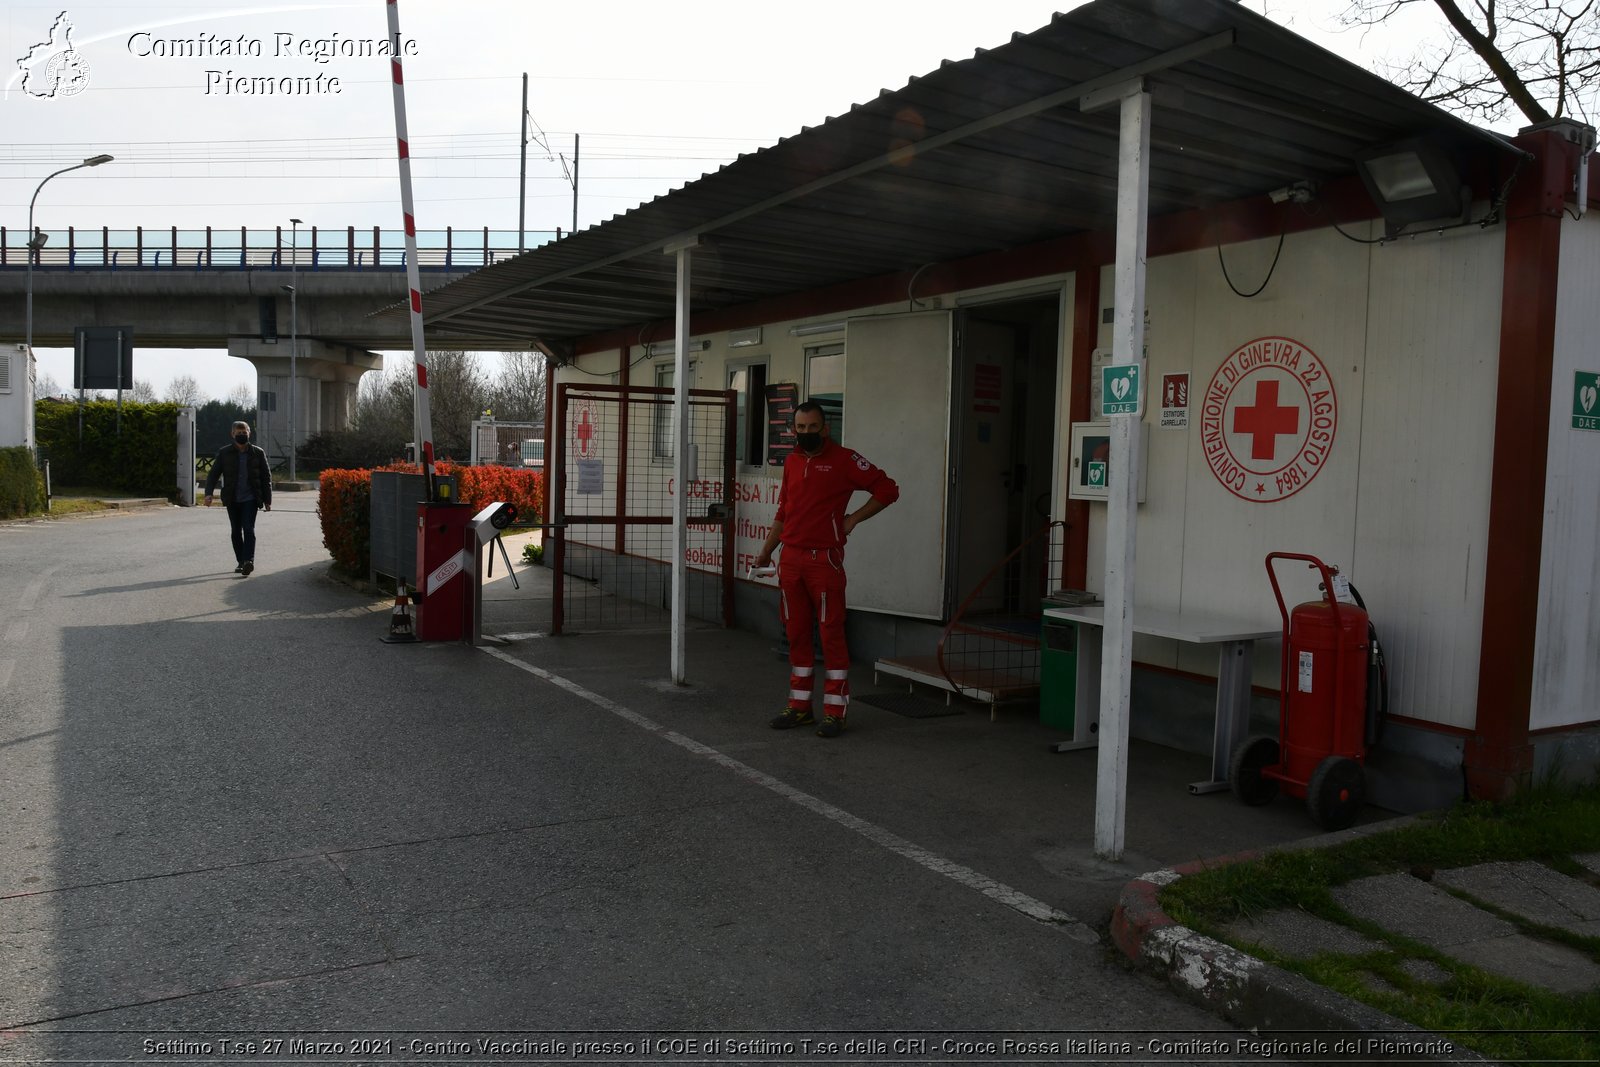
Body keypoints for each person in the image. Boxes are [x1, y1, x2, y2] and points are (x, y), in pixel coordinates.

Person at [753, 401, 899, 738]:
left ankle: (835, 711)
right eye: (800, 428)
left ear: (825, 427)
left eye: (812, 427)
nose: (805, 434)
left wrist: (853, 519)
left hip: (825, 560)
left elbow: (888, 489)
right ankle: (800, 707)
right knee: (796, 633)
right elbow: (783, 512)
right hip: (790, 559)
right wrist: (765, 551)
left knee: (831, 633)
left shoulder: (845, 460)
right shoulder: (791, 461)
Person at [203, 420, 272, 575]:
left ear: (249, 433)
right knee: (235, 531)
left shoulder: (257, 452)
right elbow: (213, 474)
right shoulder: (224, 453)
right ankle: (241, 561)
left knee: (248, 529)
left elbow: (266, 477)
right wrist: (208, 494)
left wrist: (267, 500)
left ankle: (249, 560)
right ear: (232, 434)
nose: (242, 435)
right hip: (232, 498)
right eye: (238, 433)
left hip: (251, 497)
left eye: (244, 432)